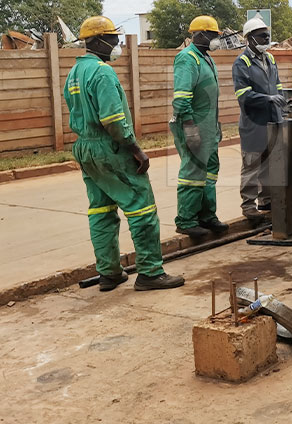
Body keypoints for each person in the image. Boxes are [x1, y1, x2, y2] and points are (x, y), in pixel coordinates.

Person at [64, 16, 184, 291]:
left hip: (86, 147)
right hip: (110, 147)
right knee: (142, 207)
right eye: (113, 38)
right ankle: (151, 273)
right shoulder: (103, 73)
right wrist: (135, 149)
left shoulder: (74, 73)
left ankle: (109, 272)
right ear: (96, 41)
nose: (118, 43)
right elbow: (113, 120)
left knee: (101, 209)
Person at [170, 15, 227, 239]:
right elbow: (182, 97)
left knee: (210, 171)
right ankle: (186, 220)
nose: (216, 39)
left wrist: (215, 125)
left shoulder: (206, 58)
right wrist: (190, 127)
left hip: (209, 125)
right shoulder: (187, 59)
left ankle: (206, 215)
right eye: (213, 35)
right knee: (193, 172)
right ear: (200, 34)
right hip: (193, 124)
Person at [232, 15, 285, 222]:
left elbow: (278, 85)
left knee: (269, 163)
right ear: (250, 38)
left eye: (267, 36)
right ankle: (248, 205)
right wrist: (268, 99)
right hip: (253, 122)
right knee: (252, 164)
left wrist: (280, 100)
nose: (266, 39)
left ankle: (266, 200)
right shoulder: (242, 62)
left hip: (272, 119)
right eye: (262, 36)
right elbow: (243, 95)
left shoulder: (270, 58)